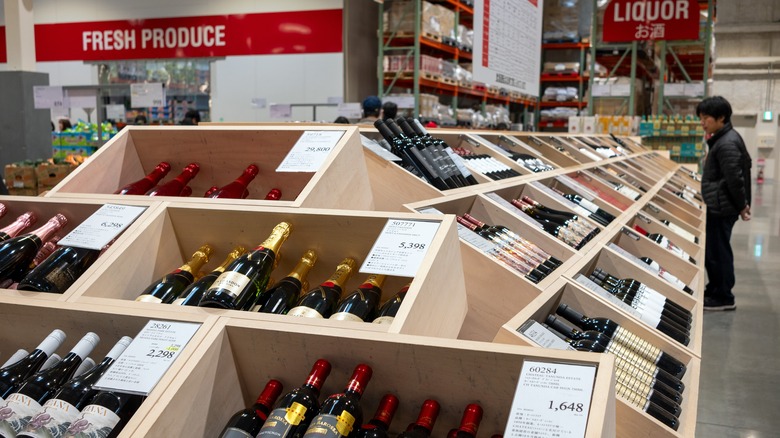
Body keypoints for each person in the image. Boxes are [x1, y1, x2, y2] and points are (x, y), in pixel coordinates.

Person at [697, 96, 752, 311]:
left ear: (721, 118)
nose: (703, 122)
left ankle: (724, 296)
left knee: (719, 252)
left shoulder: (727, 142)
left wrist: (742, 206)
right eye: (701, 118)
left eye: (706, 118)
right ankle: (716, 288)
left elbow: (735, 180)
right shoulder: (722, 138)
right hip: (720, 204)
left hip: (723, 206)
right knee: (714, 250)